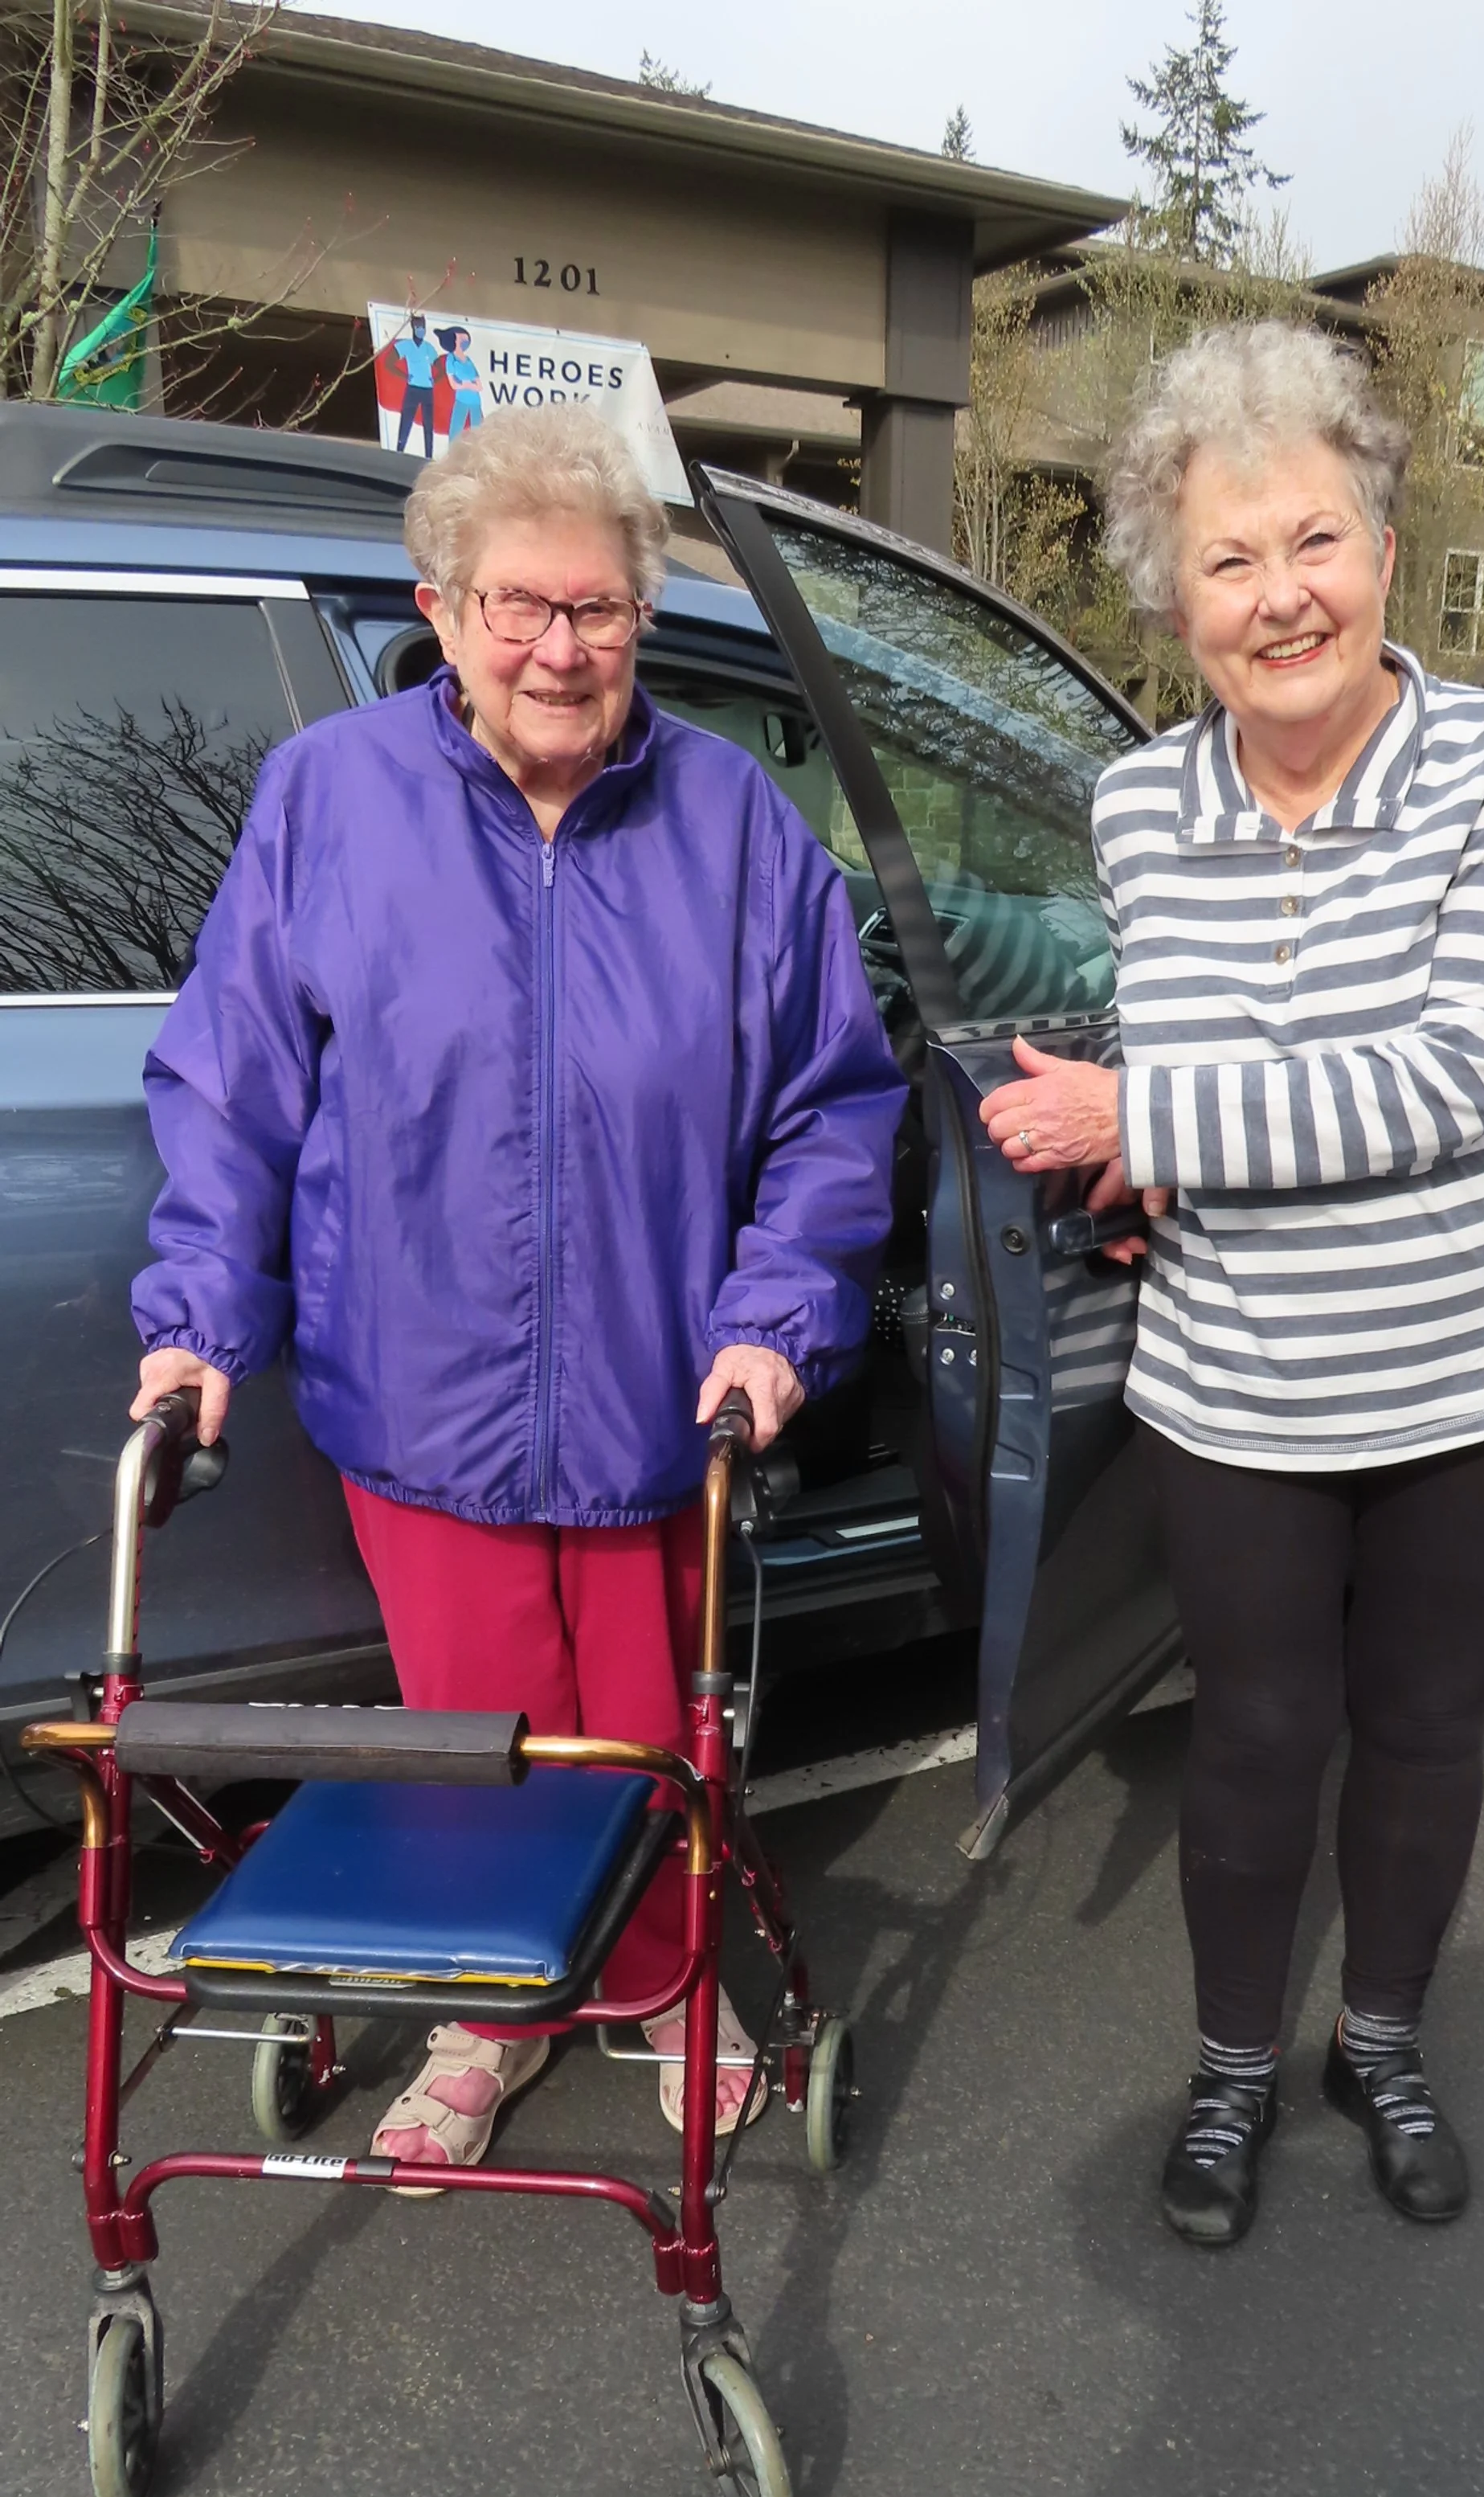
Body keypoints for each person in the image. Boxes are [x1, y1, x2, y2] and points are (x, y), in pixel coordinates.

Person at [132, 404, 907, 2178]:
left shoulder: (731, 824)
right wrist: (196, 1314)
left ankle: (662, 1987)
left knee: (647, 1739)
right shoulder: (330, 799)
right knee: (470, 1738)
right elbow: (232, 1078)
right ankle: (497, 2012)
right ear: (443, 607)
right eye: (520, 609)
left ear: (640, 615)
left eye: (601, 609)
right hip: (419, 1390)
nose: (562, 647)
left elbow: (835, 1106)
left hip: (659, 1395)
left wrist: (776, 1315)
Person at [980, 321, 1484, 2248]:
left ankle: (1383, 2032)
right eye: (1229, 560)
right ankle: (1237, 2060)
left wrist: (1142, 1112)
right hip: (1239, 1375)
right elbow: (1189, 1070)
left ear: (1384, 553)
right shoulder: (1138, 807)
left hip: (1481, 1362)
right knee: (1256, 1737)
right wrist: (1115, 1142)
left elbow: (1470, 1060)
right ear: (1177, 604)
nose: (1280, 596)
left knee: (1425, 1720)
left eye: (1311, 541)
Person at [390, 311, 440, 454]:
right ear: (413, 327)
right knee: (406, 421)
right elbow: (389, 363)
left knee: (428, 426)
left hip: (427, 390)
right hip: (413, 389)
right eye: (418, 326)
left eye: (423, 326)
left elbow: (441, 368)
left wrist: (435, 380)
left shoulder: (428, 348)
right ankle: (399, 451)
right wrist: (404, 376)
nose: (421, 329)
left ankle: (428, 456)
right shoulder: (406, 345)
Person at [442, 326, 483, 437]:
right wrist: (467, 385)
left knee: (479, 433)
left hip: (475, 401)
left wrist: (466, 385)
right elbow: (453, 384)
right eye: (461, 339)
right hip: (461, 400)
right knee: (456, 432)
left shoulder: (469, 361)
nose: (464, 342)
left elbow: (479, 386)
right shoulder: (451, 359)